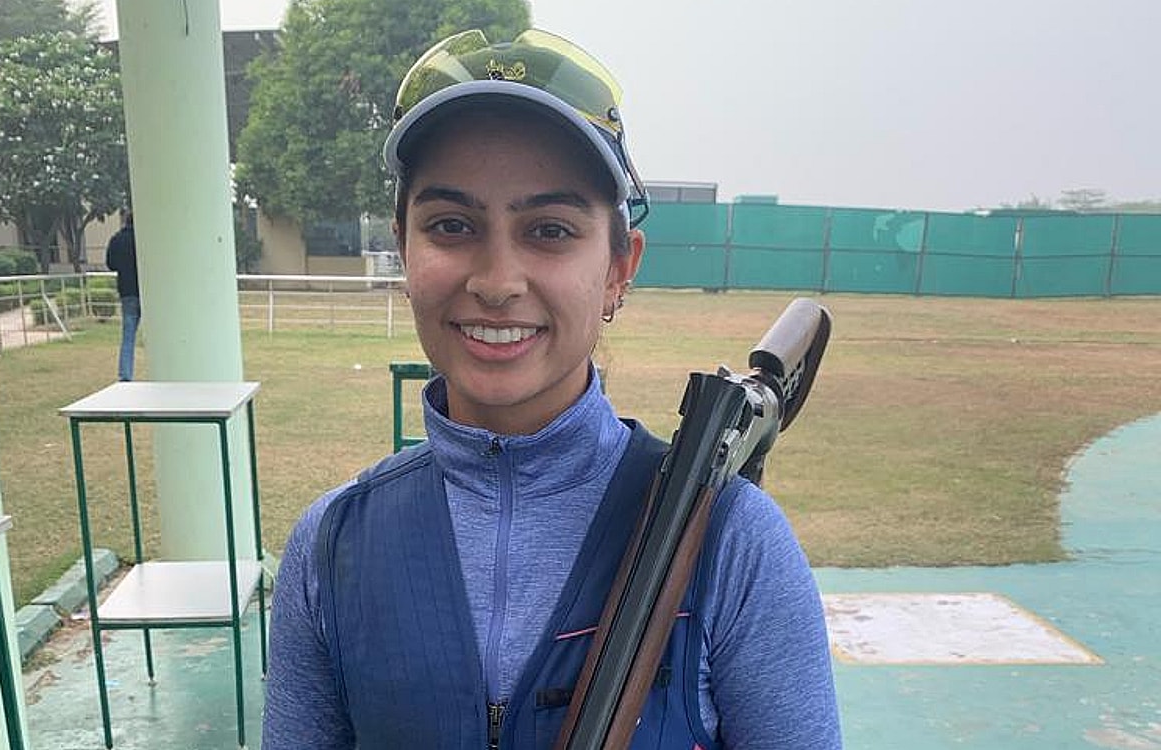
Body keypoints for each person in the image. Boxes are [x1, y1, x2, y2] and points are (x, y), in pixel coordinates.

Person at [263, 28, 841, 749]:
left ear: (618, 268)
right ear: (405, 249)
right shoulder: (331, 547)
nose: (497, 281)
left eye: (550, 230)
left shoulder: (732, 542)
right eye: (451, 225)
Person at [105, 210, 140, 381]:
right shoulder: (143, 240)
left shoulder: (116, 239)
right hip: (147, 291)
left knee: (128, 336)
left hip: (127, 291)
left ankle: (125, 375)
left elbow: (110, 264)